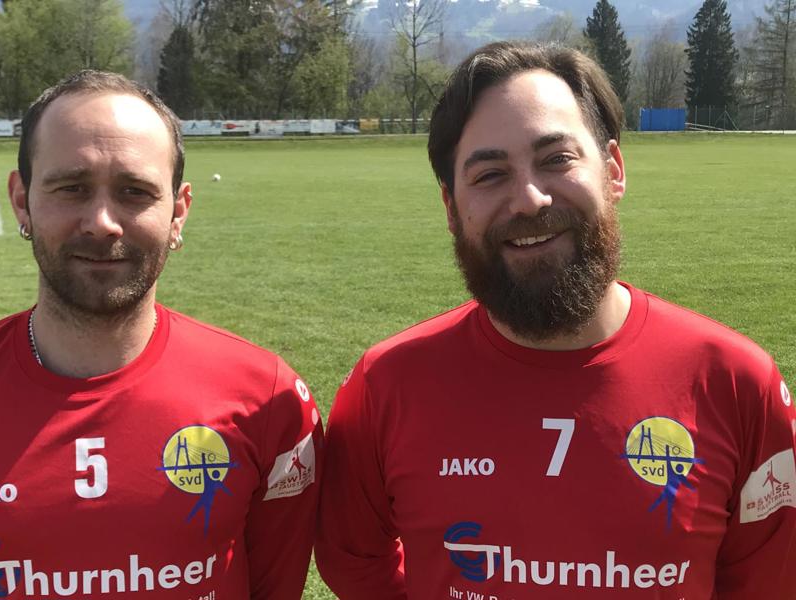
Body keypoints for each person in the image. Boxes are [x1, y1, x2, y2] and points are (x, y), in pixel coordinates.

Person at [315, 41, 795, 599]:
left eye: (556, 159)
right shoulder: (385, 386)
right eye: (490, 174)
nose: (530, 198)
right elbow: (355, 562)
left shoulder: (737, 382)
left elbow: (766, 582)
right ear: (450, 208)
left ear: (613, 170)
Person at [0, 71, 322, 600]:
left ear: (179, 212)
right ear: (23, 200)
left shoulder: (270, 400)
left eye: (134, 192)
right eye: (72, 188)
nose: (101, 222)